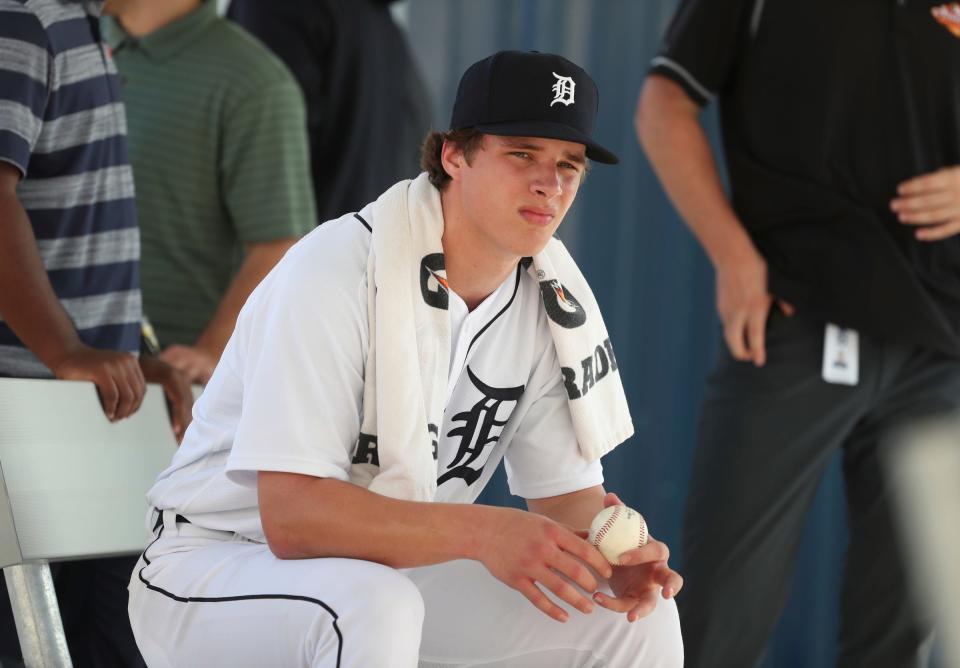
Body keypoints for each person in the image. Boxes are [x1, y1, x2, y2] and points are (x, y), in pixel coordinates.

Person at [127, 51, 684, 667]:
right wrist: (485, 533)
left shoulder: (551, 302)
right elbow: (292, 519)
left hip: (390, 571)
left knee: (634, 624)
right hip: (215, 566)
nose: (549, 184)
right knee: (377, 605)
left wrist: (614, 556)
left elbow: (567, 503)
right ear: (453, 155)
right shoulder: (335, 271)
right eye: (522, 154)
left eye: (568, 165)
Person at [636, 1, 960, 666]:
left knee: (901, 628)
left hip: (943, 346)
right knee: (718, 616)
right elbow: (663, 107)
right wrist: (732, 256)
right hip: (797, 319)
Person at [0, 0, 191, 665]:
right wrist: (65, 350)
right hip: (24, 415)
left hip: (88, 413)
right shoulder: (21, 19)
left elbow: (70, 222)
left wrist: (126, 355)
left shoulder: (81, 22)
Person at [101, 0, 317, 384]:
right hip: (50, 365)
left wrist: (210, 351)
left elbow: (281, 244)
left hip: (166, 391)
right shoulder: (68, 47)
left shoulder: (255, 82)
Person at [227, 0, 432, 223]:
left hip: (302, 245)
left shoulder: (273, 9)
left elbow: (267, 163)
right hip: (369, 242)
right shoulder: (383, 25)